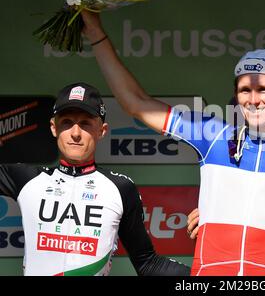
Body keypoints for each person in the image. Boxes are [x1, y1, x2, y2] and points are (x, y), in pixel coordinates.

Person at [81, 11, 265, 276]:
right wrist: (95, 34)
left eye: (263, 89)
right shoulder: (213, 135)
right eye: (244, 90)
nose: (253, 99)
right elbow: (136, 103)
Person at [0, 82, 191, 276]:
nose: (75, 133)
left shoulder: (120, 188)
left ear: (102, 130)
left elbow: (148, 264)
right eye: (66, 122)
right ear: (53, 127)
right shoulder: (26, 179)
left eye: (85, 124)